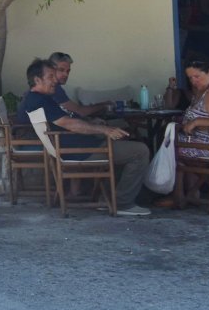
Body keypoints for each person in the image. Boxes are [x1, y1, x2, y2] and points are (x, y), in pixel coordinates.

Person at [22, 57, 152, 215]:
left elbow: (69, 120)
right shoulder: (39, 101)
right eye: (50, 76)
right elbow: (69, 124)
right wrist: (103, 130)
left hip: (79, 147)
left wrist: (94, 124)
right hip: (80, 151)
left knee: (125, 140)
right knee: (140, 151)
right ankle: (122, 203)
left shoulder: (39, 99)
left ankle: (108, 198)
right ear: (37, 80)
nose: (55, 80)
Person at [160, 59, 209, 210]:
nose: (193, 81)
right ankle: (191, 193)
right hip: (202, 140)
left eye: (197, 76)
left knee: (171, 147)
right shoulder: (201, 89)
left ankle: (179, 196)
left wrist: (196, 122)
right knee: (172, 140)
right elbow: (170, 105)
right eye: (190, 78)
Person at [47, 52, 116, 118]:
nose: (66, 74)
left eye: (68, 71)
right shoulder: (54, 88)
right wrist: (104, 105)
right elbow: (80, 111)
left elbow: (71, 113)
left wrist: (89, 119)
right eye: (61, 70)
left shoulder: (55, 86)